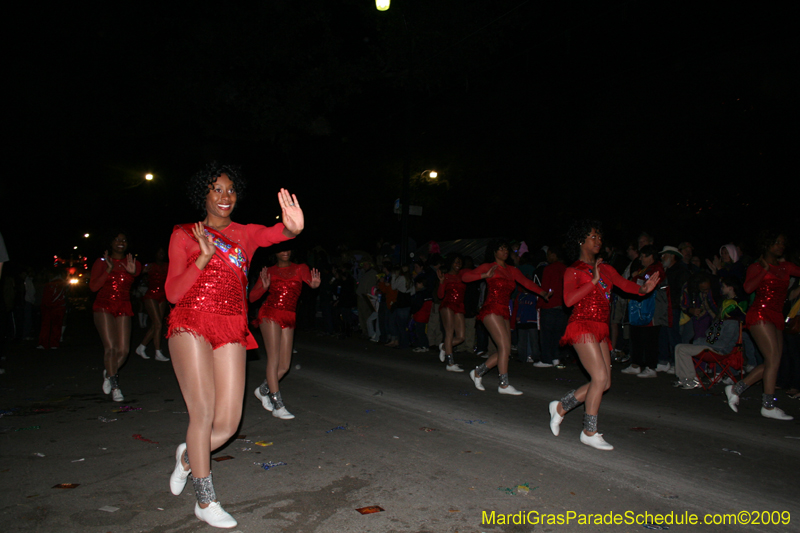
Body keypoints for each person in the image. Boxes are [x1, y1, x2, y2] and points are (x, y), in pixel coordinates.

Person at [165, 163, 301, 528]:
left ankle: (187, 459)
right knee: (203, 414)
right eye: (217, 190)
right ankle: (206, 501)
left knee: (228, 424)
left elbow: (277, 233)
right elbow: (173, 293)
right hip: (191, 322)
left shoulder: (247, 233)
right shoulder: (183, 234)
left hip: (231, 327)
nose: (225, 197)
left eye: (231, 190)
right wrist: (204, 258)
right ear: (203, 195)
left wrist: (292, 227)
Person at [548, 221, 659, 450]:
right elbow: (568, 300)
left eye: (600, 237)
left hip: (600, 328)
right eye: (593, 237)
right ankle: (589, 431)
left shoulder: (606, 268)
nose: (598, 241)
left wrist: (643, 289)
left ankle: (561, 407)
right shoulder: (573, 270)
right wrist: (593, 281)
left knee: (605, 382)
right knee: (599, 378)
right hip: (581, 325)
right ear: (581, 240)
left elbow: (626, 285)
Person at [726, 232, 800, 421]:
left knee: (773, 362)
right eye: (777, 242)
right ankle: (768, 405)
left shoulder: (785, 267)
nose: (781, 246)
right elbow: (748, 288)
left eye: (783, 243)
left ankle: (736, 389)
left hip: (777, 316)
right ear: (767, 245)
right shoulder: (756, 266)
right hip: (760, 313)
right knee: (773, 359)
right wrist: (764, 271)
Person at [463, 239, 549, 395]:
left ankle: (478, 372)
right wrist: (484, 275)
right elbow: (466, 277)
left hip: (504, 310)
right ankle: (503, 384)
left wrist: (542, 292)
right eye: (501, 249)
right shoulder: (489, 266)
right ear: (494, 251)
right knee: (503, 347)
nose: (505, 252)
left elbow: (526, 282)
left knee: (506, 350)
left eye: (506, 249)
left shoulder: (512, 270)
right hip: (491, 309)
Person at [251, 249, 320, 420]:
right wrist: (264, 288)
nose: (285, 252)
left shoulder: (300, 268)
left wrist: (313, 285)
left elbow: (310, 281)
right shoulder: (269, 271)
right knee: (273, 360)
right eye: (281, 249)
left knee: (284, 366)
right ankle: (278, 404)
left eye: (288, 248)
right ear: (274, 252)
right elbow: (252, 297)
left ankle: (263, 390)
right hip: (270, 313)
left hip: (288, 316)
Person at [90, 232, 141, 402]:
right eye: (117, 239)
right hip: (103, 305)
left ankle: (109, 372)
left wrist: (133, 273)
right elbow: (93, 287)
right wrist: (108, 271)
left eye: (124, 240)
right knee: (110, 348)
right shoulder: (101, 262)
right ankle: (115, 386)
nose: (121, 242)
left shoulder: (134, 263)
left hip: (124, 305)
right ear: (110, 242)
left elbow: (133, 278)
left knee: (124, 351)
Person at [673, 277, 747, 388]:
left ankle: (691, 379)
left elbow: (723, 344)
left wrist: (701, 341)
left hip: (718, 350)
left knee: (684, 349)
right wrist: (707, 338)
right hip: (712, 346)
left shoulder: (732, 320)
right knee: (679, 346)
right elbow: (710, 332)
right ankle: (684, 378)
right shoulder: (722, 319)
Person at [135, 247, 170, 362]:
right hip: (151, 295)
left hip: (162, 296)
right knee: (158, 324)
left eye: (162, 253)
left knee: (156, 325)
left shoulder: (167, 265)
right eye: (159, 252)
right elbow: (137, 274)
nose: (161, 255)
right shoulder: (150, 266)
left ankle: (141, 347)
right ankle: (158, 352)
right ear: (155, 254)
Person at [436, 254, 467, 371]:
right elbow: (440, 296)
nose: (458, 264)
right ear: (450, 263)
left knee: (461, 337)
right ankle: (450, 363)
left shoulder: (463, 275)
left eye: (459, 262)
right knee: (449, 332)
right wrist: (441, 282)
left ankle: (444, 346)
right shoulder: (446, 276)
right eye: (455, 262)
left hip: (459, 306)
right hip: (447, 305)